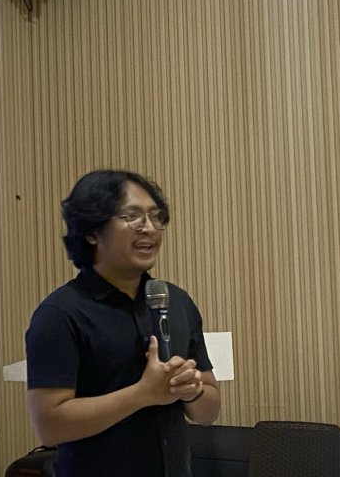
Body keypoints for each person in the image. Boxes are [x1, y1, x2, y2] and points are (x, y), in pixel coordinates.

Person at [25, 169, 221, 477]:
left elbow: (208, 412)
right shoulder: (60, 314)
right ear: (92, 232)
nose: (149, 228)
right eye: (132, 217)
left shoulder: (175, 301)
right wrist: (143, 394)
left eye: (155, 216)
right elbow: (50, 426)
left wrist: (192, 389)